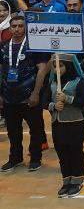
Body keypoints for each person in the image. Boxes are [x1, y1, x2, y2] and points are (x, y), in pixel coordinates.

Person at [1, 13, 49, 172]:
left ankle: (35, 158)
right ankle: (15, 158)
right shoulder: (3, 46)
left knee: (35, 129)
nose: (17, 29)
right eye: (14, 26)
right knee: (13, 131)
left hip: (29, 97)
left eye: (20, 26)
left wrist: (36, 93)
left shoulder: (34, 46)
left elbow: (42, 70)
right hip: (9, 97)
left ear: (26, 28)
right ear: (9, 28)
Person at [44, 54, 84, 195]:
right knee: (62, 152)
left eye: (61, 66)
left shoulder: (79, 82)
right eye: (55, 66)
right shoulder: (52, 83)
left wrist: (67, 99)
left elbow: (83, 101)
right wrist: (53, 106)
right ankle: (66, 181)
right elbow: (44, 101)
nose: (57, 69)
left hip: (75, 123)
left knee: (75, 152)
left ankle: (77, 181)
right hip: (57, 124)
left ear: (69, 66)